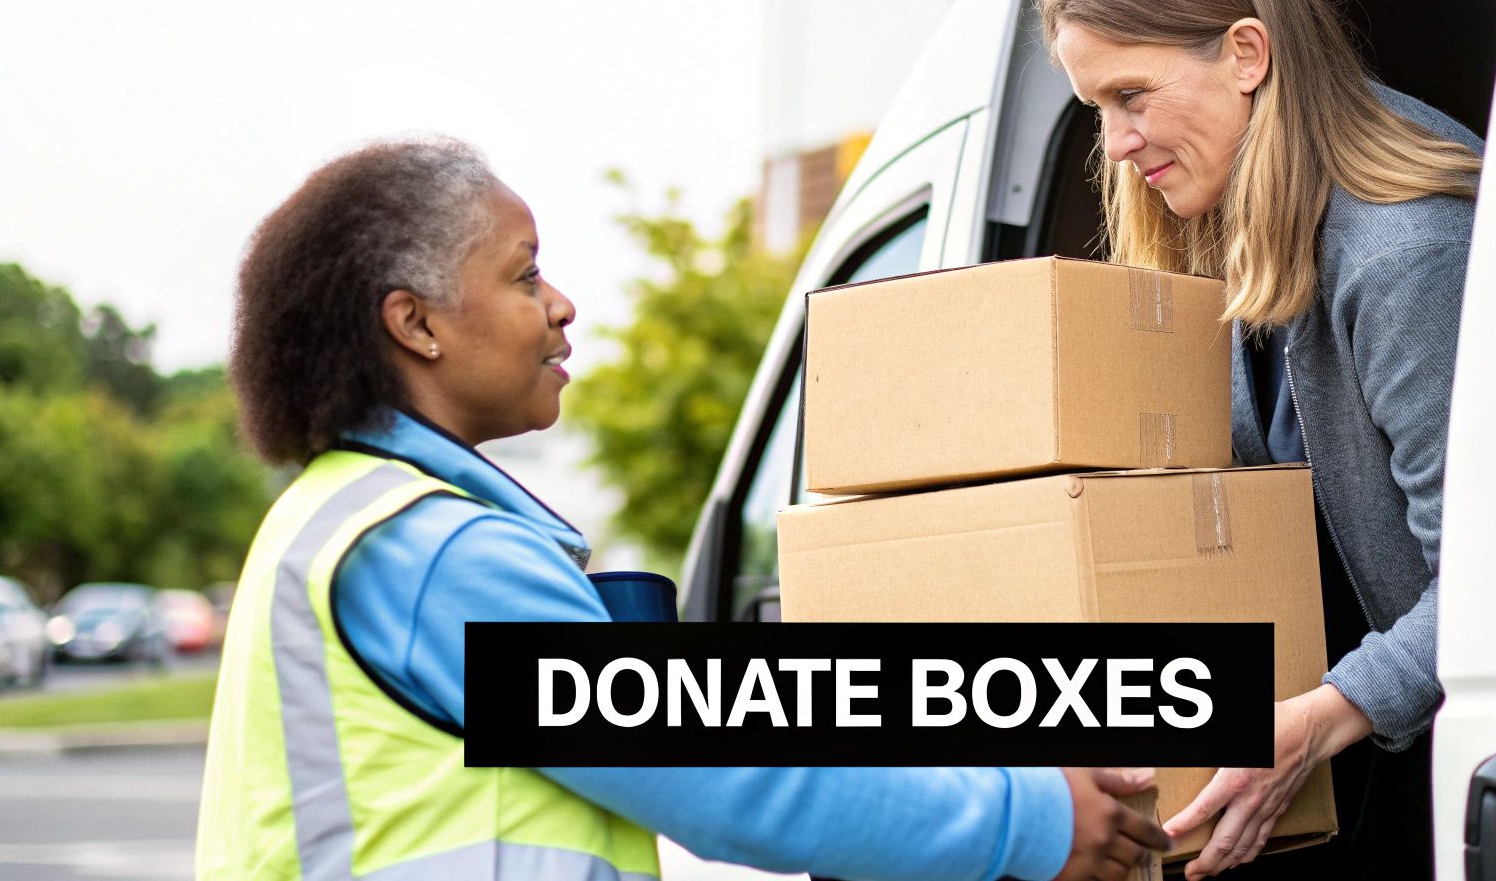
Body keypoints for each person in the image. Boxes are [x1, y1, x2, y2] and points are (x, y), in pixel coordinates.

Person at [195, 138, 1170, 881]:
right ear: (414, 324)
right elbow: (723, 774)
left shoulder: (341, 515)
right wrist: (1032, 821)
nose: (561, 304)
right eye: (523, 273)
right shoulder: (431, 551)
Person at [1037, 0, 1484, 881]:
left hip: (1449, 772)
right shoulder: (1248, 225)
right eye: (1095, 110)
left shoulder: (1403, 255)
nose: (1112, 143)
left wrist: (1319, 719)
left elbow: (1495, 585)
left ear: (1245, 54)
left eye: (1131, 96)